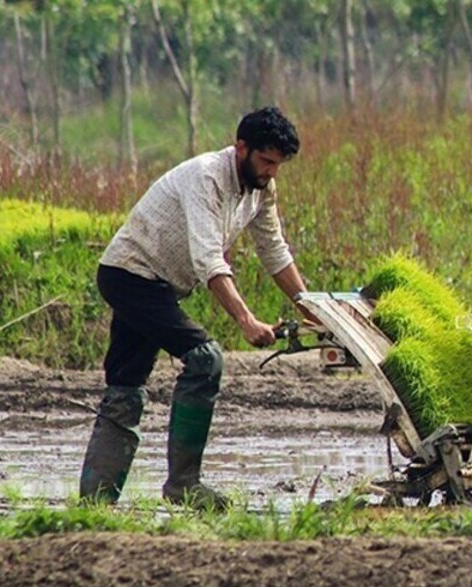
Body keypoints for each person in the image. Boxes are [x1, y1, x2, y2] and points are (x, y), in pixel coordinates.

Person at [79, 106, 315, 512]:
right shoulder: (206, 177)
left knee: (125, 387)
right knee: (206, 359)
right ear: (241, 148)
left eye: (278, 164)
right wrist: (246, 319)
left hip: (161, 285)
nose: (272, 171)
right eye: (266, 160)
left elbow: (274, 251)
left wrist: (311, 308)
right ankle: (184, 484)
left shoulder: (261, 189)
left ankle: (94, 505)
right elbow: (208, 259)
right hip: (130, 276)